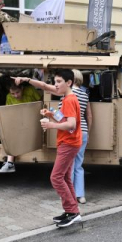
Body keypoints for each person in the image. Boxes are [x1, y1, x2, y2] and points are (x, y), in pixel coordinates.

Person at [39, 69, 82, 228]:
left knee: (56, 178)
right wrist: (51, 114)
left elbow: (71, 124)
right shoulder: (68, 98)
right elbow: (65, 118)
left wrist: (50, 125)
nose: (55, 85)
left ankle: (72, 211)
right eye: (55, 82)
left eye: (58, 82)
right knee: (64, 178)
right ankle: (72, 211)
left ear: (69, 83)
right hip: (70, 142)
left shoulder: (70, 99)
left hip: (69, 143)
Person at [0, 81, 43, 173]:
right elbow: (9, 112)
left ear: (22, 88)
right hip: (19, 121)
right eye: (12, 93)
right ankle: (10, 163)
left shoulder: (30, 90)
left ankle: (10, 163)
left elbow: (41, 102)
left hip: (34, 119)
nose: (15, 96)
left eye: (17, 92)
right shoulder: (8, 97)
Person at [71, 70, 92, 204]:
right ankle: (81, 195)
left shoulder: (67, 95)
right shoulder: (85, 95)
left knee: (69, 165)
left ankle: (70, 194)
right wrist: (88, 132)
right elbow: (89, 116)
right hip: (83, 131)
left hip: (71, 132)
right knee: (78, 164)